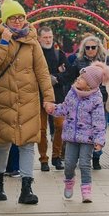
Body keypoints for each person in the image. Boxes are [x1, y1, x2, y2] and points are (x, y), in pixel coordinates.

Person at [0, 0, 55, 205]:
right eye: (13, 17)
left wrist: (48, 98)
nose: (17, 21)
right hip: (4, 100)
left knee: (27, 144)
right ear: (5, 20)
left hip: (28, 100)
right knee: (3, 143)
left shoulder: (32, 41)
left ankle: (26, 187)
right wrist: (4, 41)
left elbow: (42, 72)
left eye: (21, 17)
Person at [44, 61, 109, 203]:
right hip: (71, 136)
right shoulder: (72, 93)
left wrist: (99, 140)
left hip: (87, 138)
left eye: (81, 78)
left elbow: (99, 121)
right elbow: (64, 108)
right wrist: (53, 109)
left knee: (85, 164)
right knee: (69, 163)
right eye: (78, 77)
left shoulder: (96, 99)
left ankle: (86, 191)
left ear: (90, 84)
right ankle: (69, 181)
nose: (77, 80)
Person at [63, 34, 109, 170]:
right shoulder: (79, 60)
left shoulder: (105, 60)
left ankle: (97, 157)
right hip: (81, 102)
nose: (91, 50)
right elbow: (71, 77)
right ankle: (83, 157)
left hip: (99, 100)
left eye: (93, 47)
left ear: (98, 48)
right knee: (83, 128)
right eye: (88, 47)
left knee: (99, 128)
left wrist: (106, 79)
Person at [38, 26, 67, 172]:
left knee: (60, 126)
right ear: (39, 38)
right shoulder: (36, 53)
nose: (48, 40)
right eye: (45, 37)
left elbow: (67, 74)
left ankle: (57, 156)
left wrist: (55, 78)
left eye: (50, 37)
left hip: (57, 96)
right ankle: (43, 159)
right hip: (39, 96)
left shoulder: (59, 54)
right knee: (41, 129)